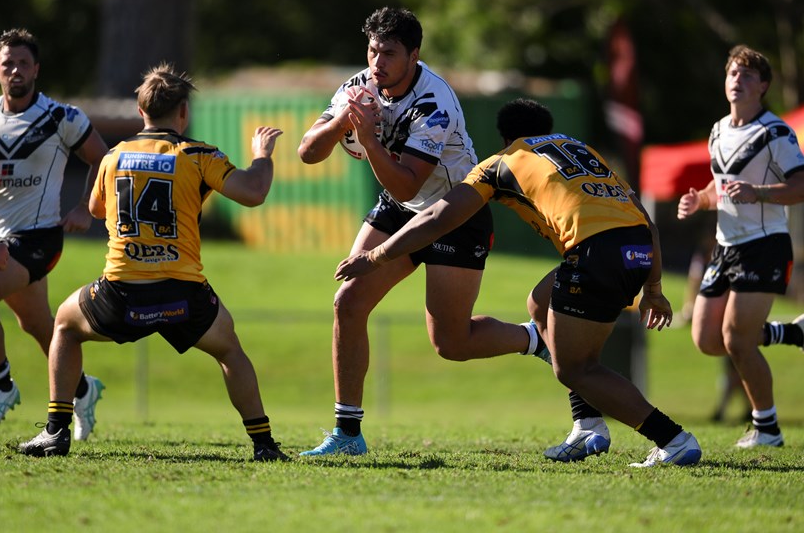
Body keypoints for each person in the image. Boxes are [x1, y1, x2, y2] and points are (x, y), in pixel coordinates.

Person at [336, 98, 701, 467]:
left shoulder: (501, 163)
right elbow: (648, 223)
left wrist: (374, 257)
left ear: (506, 137)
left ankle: (672, 439)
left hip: (596, 253)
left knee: (576, 368)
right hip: (635, 247)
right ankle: (588, 426)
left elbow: (437, 216)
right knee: (541, 304)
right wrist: (653, 289)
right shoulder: (581, 150)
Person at [297, 7, 546, 456]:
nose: (377, 63)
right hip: (402, 206)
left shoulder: (434, 104)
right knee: (348, 302)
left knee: (451, 343)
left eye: (389, 54)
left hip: (457, 211)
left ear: (414, 55)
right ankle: (347, 435)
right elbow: (307, 153)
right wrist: (341, 123)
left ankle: (534, 338)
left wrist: (369, 139)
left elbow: (408, 179)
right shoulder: (359, 86)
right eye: (373, 51)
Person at [18, 63, 288, 461]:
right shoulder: (198, 154)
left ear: (140, 110)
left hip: (121, 292)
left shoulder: (114, 156)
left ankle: (56, 432)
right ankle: (264, 445)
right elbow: (253, 192)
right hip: (182, 294)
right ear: (183, 112)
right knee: (229, 351)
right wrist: (261, 155)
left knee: (64, 325)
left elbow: (95, 209)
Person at [0, 28, 109, 439]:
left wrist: (86, 207)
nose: (15, 70)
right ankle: (82, 389)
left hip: (40, 237)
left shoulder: (61, 117)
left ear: (36, 69)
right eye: (7, 64)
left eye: (23, 63)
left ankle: (1, 386)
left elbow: (103, 159)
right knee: (38, 327)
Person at [677, 44, 804, 448]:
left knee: (736, 340)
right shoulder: (718, 130)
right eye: (734, 73)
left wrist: (760, 193)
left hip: (765, 245)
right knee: (707, 340)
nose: (738, 80)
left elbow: (800, 185)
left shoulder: (775, 132)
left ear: (763, 86)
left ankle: (767, 429)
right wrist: (700, 199)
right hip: (725, 246)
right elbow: (723, 186)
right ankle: (790, 333)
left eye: (748, 75)